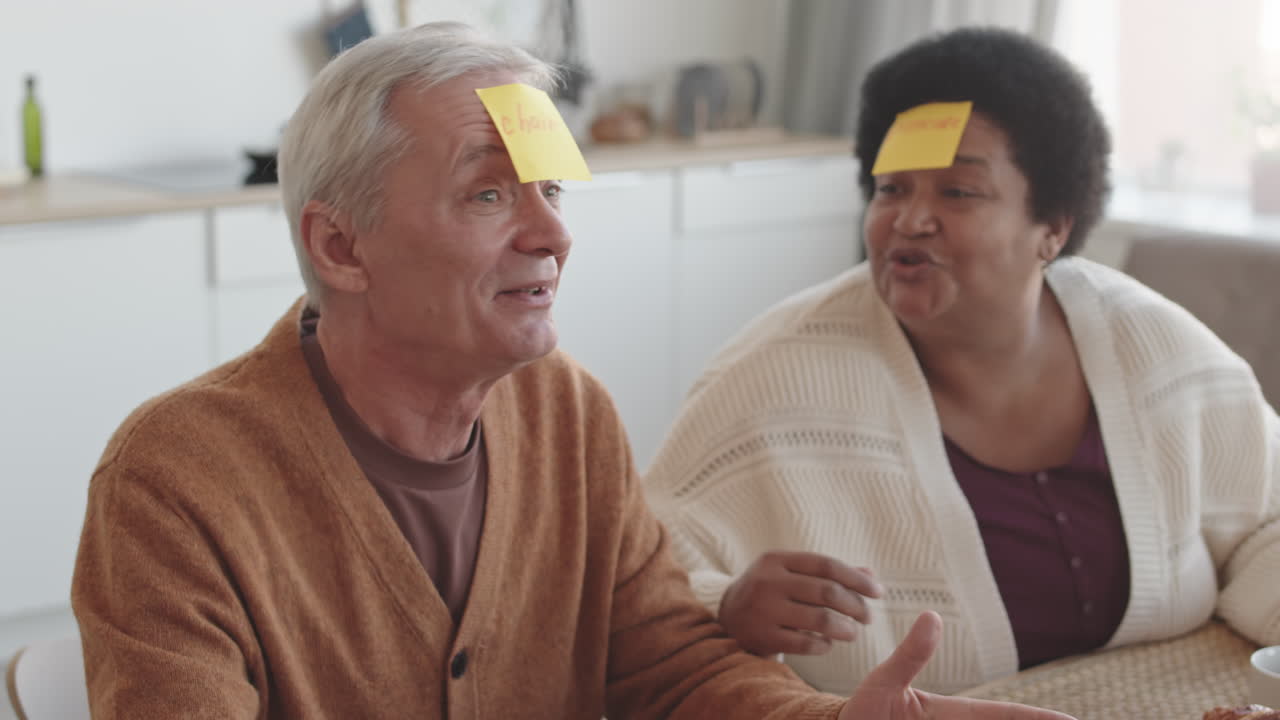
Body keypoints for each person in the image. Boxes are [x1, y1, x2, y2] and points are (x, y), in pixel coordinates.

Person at [69, 21, 1075, 720]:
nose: (552, 233)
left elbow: (670, 667)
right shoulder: (175, 482)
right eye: (488, 196)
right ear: (340, 248)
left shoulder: (566, 413)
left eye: (549, 189)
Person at [645, 26, 1280, 697]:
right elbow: (635, 579)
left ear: (1054, 226)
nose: (910, 220)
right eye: (891, 189)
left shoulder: (1154, 346)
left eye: (958, 192)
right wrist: (728, 606)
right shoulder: (772, 377)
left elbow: (1265, 523)